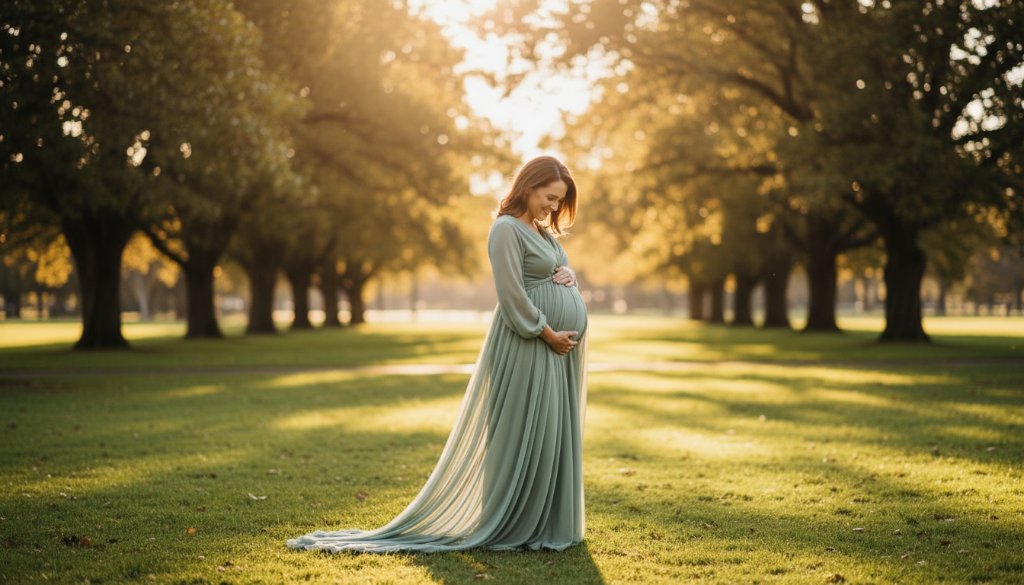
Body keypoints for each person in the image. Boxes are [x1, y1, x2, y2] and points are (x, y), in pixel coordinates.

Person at [286, 155, 588, 553]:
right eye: (549, 197)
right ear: (529, 186)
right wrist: (547, 333)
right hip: (529, 345)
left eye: (559, 201)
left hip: (555, 352)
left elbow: (552, 272)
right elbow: (512, 297)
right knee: (523, 431)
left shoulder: (541, 231)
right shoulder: (506, 231)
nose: (553, 207)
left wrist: (571, 278)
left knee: (550, 432)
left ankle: (544, 521)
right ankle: (514, 522)